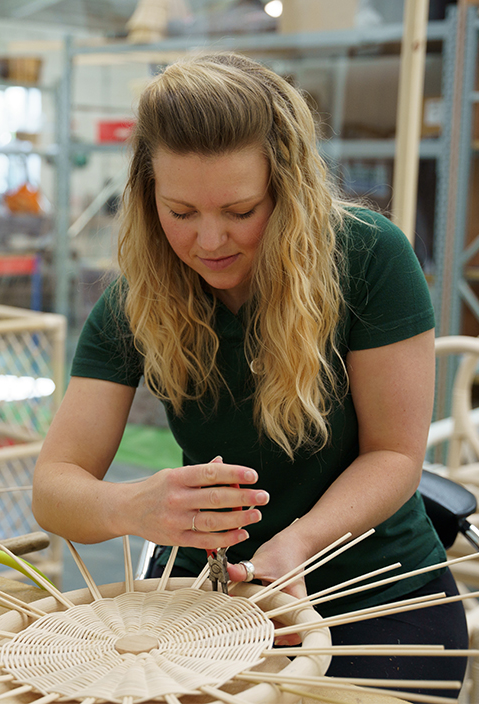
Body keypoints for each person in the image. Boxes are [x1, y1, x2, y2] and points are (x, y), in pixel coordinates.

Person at [32, 52, 468, 696]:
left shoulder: (369, 256)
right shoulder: (135, 298)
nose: (210, 241)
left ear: (288, 189)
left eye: (240, 211)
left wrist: (298, 545)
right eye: (180, 213)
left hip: (378, 594)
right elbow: (52, 490)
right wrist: (130, 504)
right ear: (148, 196)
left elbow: (394, 456)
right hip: (202, 612)